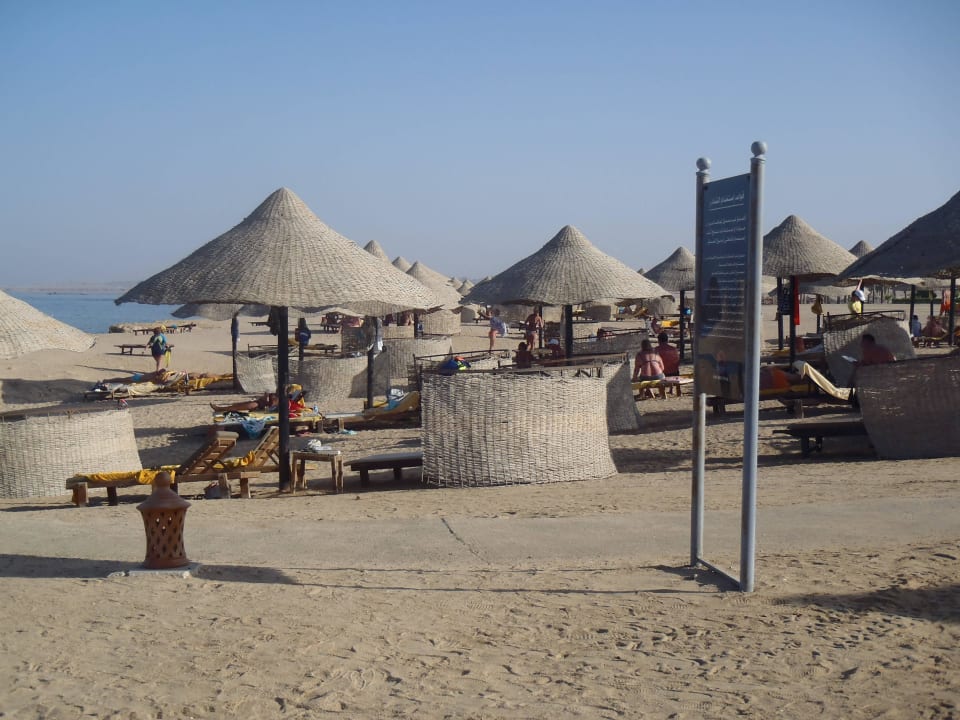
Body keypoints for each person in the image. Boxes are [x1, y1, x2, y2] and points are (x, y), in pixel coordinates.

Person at [211, 392, 278, 414]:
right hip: (268, 404)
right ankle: (224, 408)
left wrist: (268, 398)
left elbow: (273, 403)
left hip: (270, 407)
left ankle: (222, 409)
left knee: (255, 404)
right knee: (254, 403)